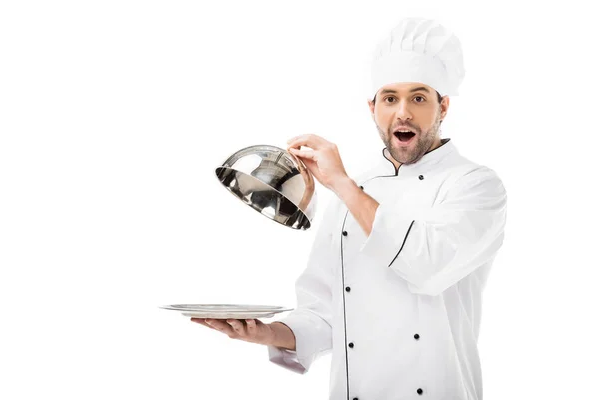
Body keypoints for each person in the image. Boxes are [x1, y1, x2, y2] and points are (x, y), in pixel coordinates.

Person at [191, 17, 507, 400]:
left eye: (419, 98)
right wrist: (263, 332)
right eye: (390, 98)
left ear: (443, 106)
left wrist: (341, 183)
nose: (402, 113)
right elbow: (325, 313)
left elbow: (427, 265)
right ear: (373, 108)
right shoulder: (354, 192)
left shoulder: (475, 185)